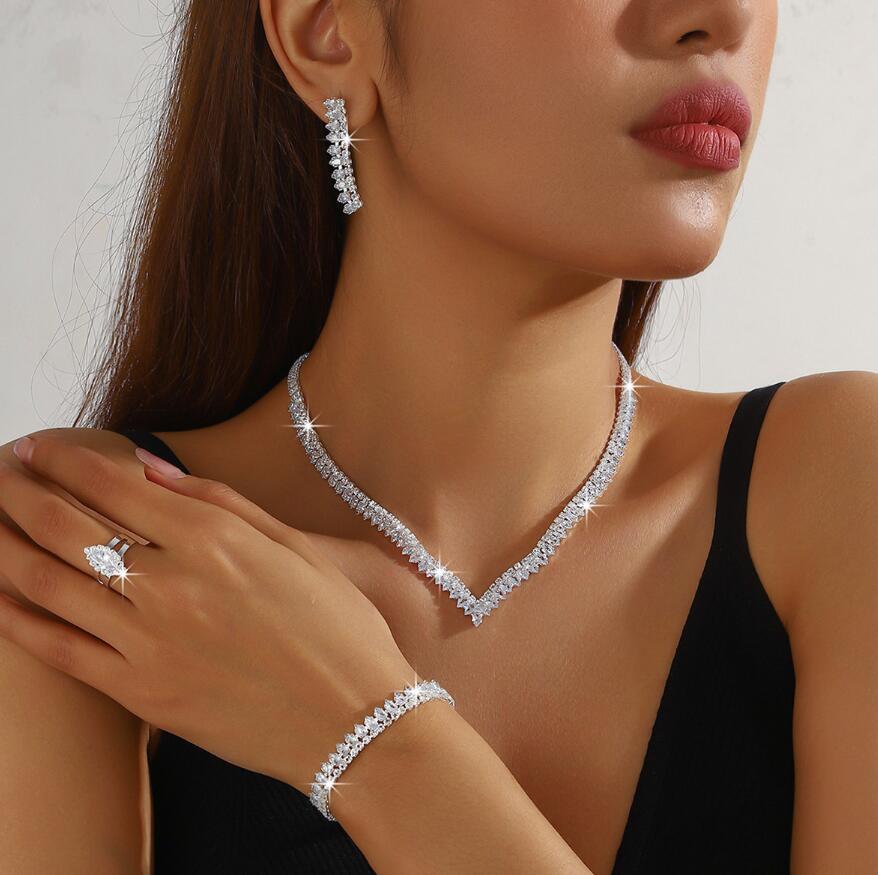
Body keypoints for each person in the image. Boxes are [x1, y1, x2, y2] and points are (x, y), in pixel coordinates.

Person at [0, 0, 875, 873]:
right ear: (325, 31)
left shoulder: (843, 486)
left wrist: (370, 735)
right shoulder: (93, 546)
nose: (723, 15)